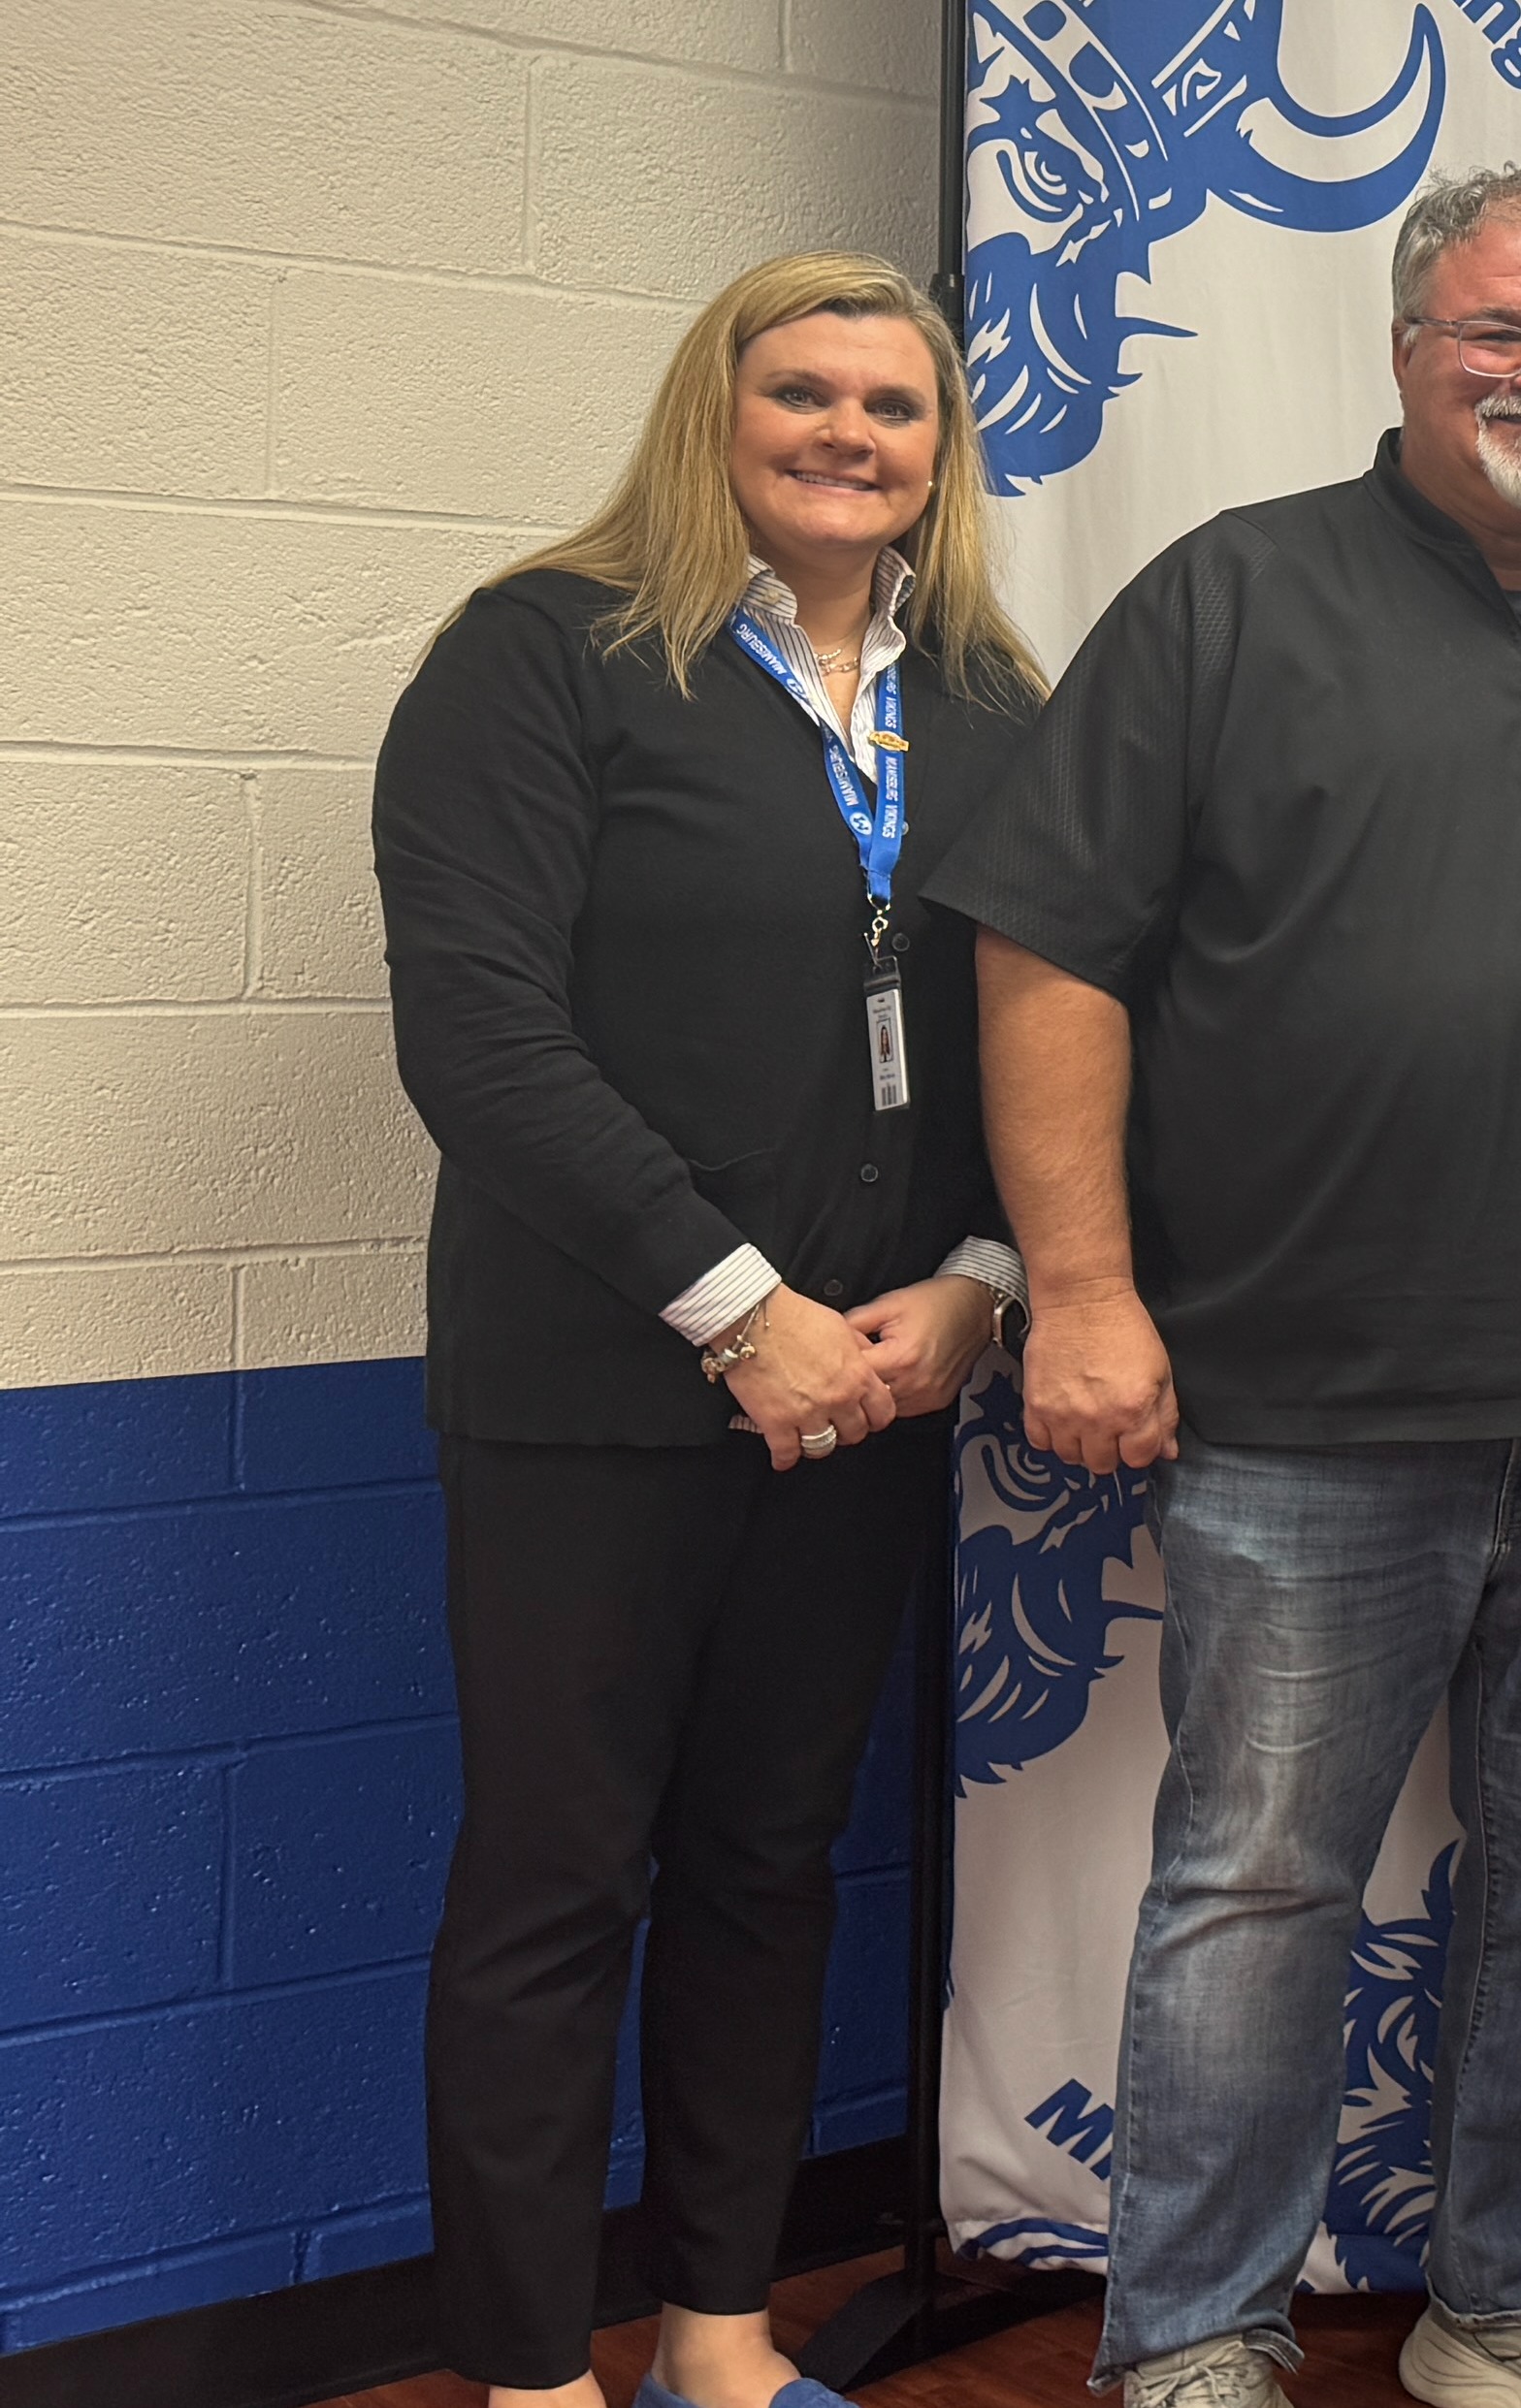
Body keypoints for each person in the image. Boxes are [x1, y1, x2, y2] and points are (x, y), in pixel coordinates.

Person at [924, 167, 1521, 2408]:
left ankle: (1515, 2298)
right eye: (1501, 335)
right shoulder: (1228, 601)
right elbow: (1046, 944)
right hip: (1297, 1403)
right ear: (1409, 352)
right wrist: (1087, 1290)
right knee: (1255, 1887)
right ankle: (1194, 2333)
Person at [376, 249, 1036, 2408]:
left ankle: (721, 2346)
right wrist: (742, 1310)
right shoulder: (546, 658)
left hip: (866, 1399)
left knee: (769, 1873)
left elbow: (1064, 1023)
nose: (853, 434)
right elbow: (482, 1041)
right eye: (806, 394)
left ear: (943, 451)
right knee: (558, 1890)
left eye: (898, 405)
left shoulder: (988, 702)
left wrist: (974, 1284)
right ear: (713, 416)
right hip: (598, 1398)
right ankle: (532, 2378)